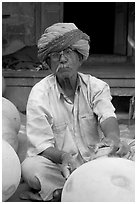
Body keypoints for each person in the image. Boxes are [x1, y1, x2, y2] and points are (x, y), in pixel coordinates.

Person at [21, 23, 131, 201]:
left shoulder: (97, 86)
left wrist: (112, 138)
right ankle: (81, 188)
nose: (63, 59)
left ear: (80, 57)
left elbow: (107, 115)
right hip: (62, 166)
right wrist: (63, 157)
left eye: (69, 52)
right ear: (48, 63)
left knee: (131, 148)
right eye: (56, 55)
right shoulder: (39, 94)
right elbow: (41, 144)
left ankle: (62, 192)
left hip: (97, 158)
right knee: (31, 167)